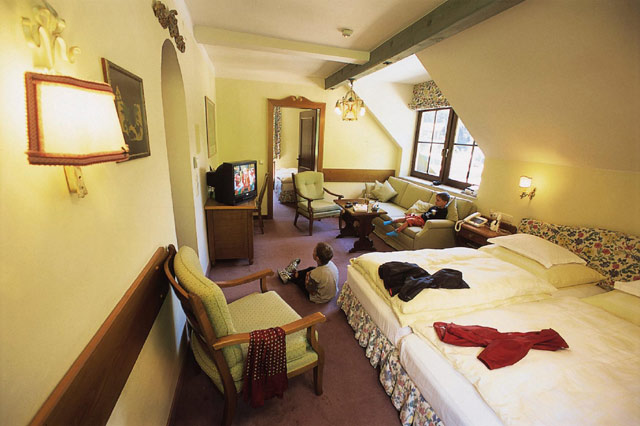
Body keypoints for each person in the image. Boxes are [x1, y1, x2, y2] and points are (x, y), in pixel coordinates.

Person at [384, 192, 451, 237]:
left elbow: (437, 220)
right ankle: (391, 221)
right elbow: (427, 212)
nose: (435, 202)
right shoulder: (434, 207)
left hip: (423, 221)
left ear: (445, 202)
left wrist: (425, 225)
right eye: (436, 200)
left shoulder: (443, 211)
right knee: (407, 217)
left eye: (438, 200)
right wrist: (419, 215)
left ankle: (396, 232)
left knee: (409, 220)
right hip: (421, 217)